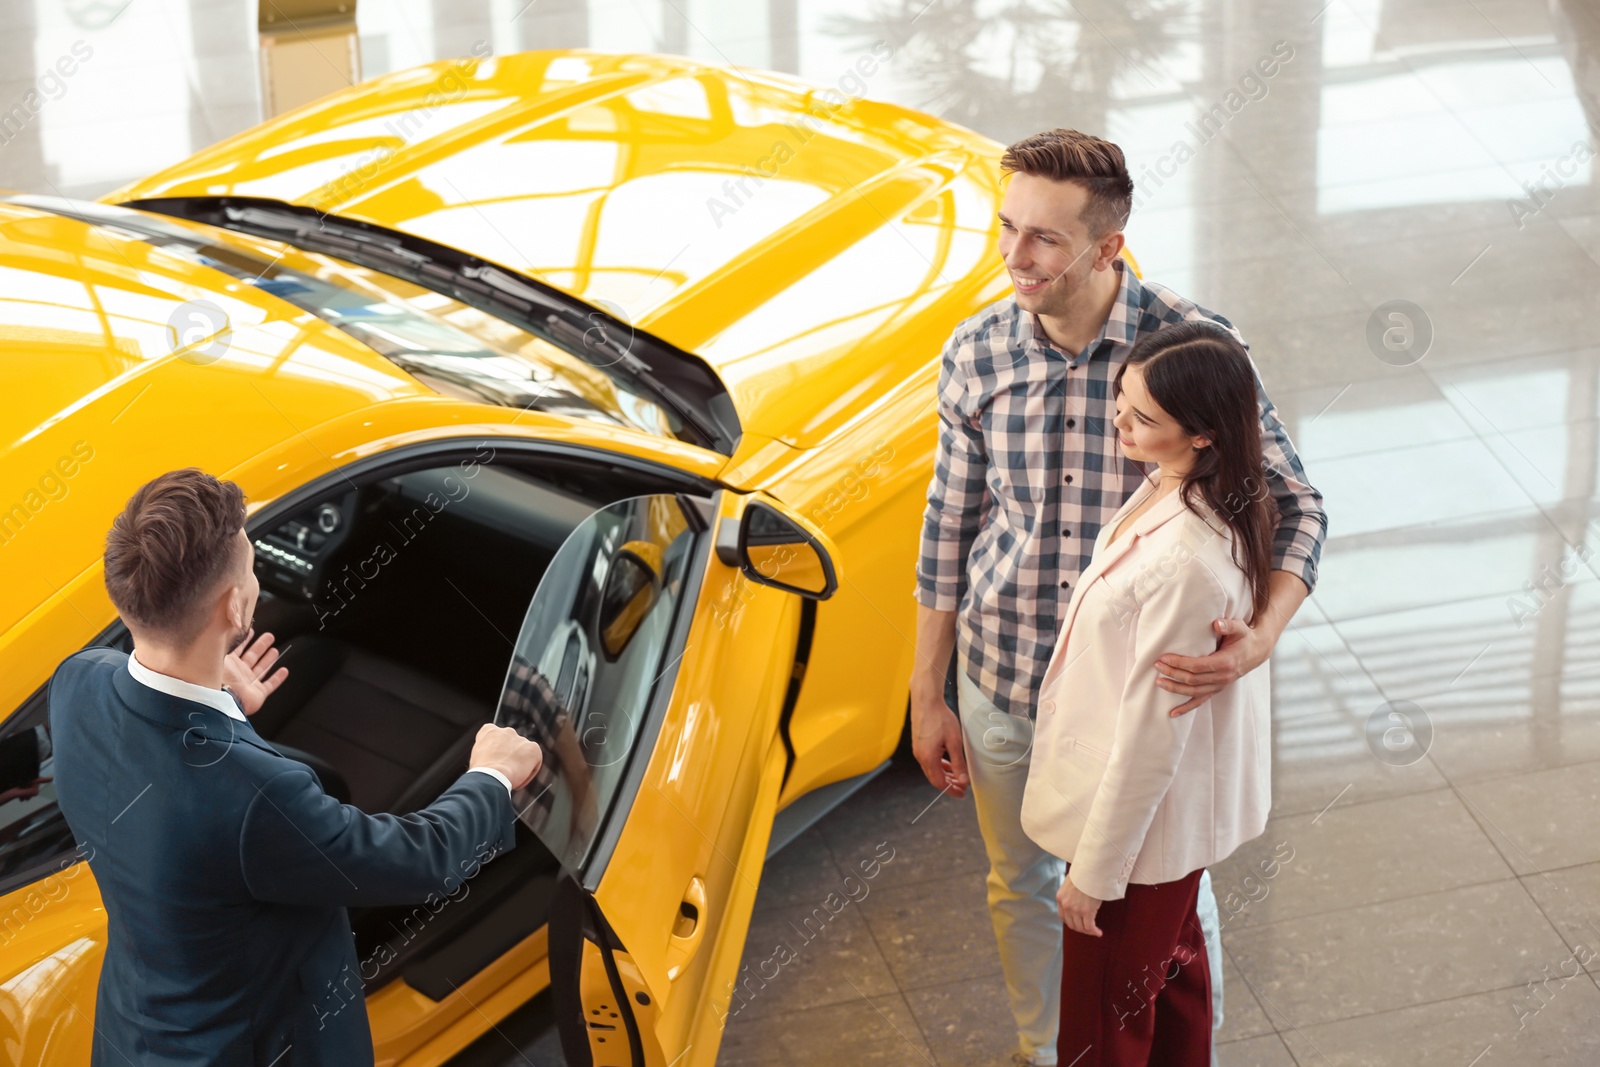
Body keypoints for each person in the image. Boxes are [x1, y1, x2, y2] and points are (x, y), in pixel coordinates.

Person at [910, 128, 1326, 1066]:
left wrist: (1256, 640)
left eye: (1044, 239)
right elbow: (950, 519)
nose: (1014, 257)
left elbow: (1298, 506)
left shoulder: (1191, 353)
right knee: (1021, 882)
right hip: (1006, 680)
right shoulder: (975, 352)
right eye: (1008, 227)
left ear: (1110, 248)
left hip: (1139, 699)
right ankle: (1048, 1050)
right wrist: (928, 688)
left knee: (1170, 899)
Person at [48, 468, 544, 1066]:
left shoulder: (77, 681)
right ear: (236, 607)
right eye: (251, 568)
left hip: (136, 1036)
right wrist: (491, 773)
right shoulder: (257, 795)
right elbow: (421, 861)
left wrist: (221, 707)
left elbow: (157, 763)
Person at [1021, 321, 1276, 1065]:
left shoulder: (1191, 558)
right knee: (1176, 983)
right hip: (1163, 840)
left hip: (1137, 843)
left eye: (1141, 418)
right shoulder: (1185, 491)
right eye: (1121, 402)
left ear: (1202, 433)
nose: (1119, 424)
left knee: (1101, 1033)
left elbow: (1150, 735)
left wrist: (1092, 877)